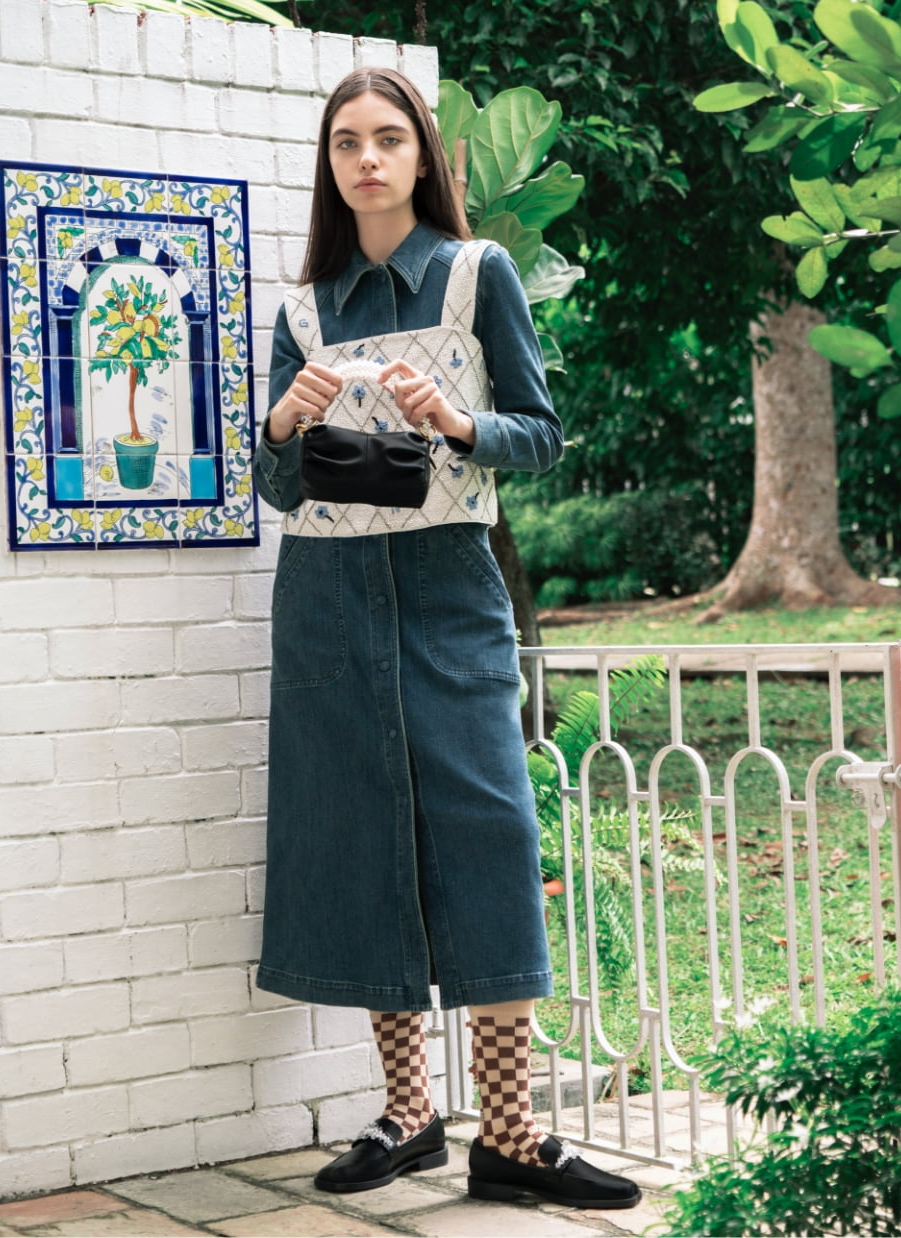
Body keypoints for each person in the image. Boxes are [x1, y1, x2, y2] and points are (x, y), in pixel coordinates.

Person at [253, 66, 640, 1212]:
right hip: (325, 594)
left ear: (422, 154)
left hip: (448, 584)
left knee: (488, 836)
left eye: (387, 139)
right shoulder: (303, 306)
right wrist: (284, 415)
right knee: (366, 836)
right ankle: (410, 1114)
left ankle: (512, 1133)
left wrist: (457, 418)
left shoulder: (481, 274)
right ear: (330, 167)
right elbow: (278, 483)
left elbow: (543, 436)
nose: (366, 160)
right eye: (345, 144)